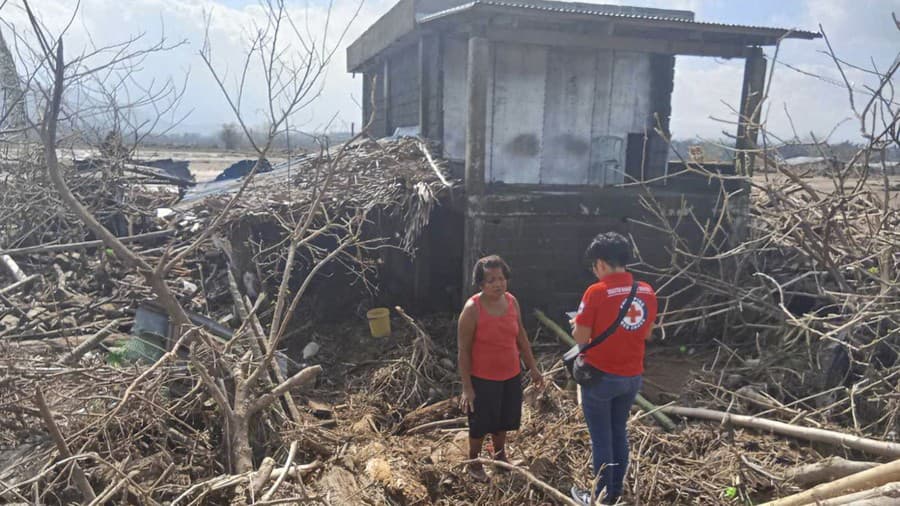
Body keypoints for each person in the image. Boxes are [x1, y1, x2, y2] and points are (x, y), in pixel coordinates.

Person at [569, 232, 657, 505]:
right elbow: (647, 333)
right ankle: (616, 490)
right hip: (632, 377)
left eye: (594, 266)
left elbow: (581, 338)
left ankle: (601, 497)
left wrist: (576, 325)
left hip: (601, 378)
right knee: (619, 431)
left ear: (602, 263)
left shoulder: (596, 292)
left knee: (601, 439)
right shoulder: (646, 291)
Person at [457, 255, 544, 482]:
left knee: (504, 419)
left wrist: (533, 368)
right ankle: (474, 463)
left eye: (501, 278)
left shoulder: (512, 302)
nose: (498, 283)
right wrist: (467, 387)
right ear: (480, 284)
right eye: (491, 280)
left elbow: (521, 337)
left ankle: (500, 456)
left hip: (511, 373)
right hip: (482, 378)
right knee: (480, 423)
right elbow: (463, 350)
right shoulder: (472, 309)